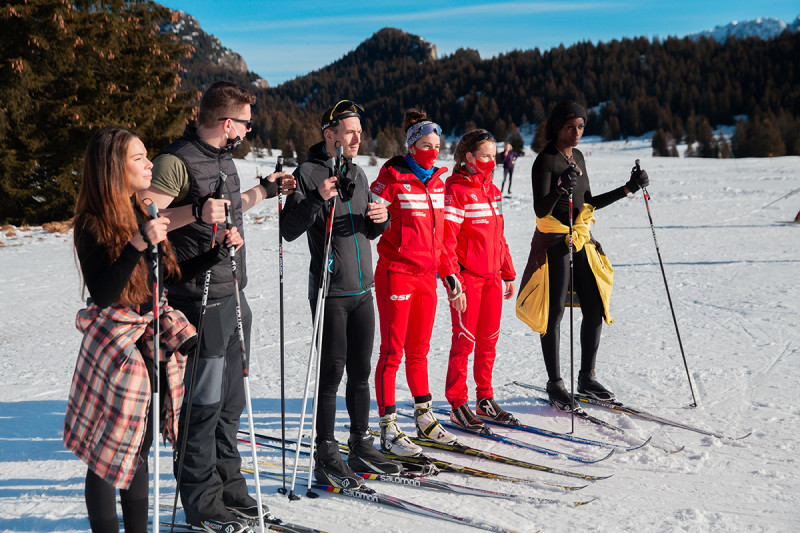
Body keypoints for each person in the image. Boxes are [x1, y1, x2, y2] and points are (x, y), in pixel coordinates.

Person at [65, 127, 238, 532]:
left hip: (148, 339)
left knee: (138, 444)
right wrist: (138, 244)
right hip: (116, 341)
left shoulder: (143, 211)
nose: (149, 164)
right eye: (139, 158)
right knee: (108, 454)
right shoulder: (91, 223)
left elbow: (168, 279)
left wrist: (217, 253)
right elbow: (104, 292)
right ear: (113, 168)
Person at [142, 81, 293, 532]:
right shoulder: (176, 159)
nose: (249, 129)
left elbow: (229, 208)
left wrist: (265, 190)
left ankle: (230, 491)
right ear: (228, 123)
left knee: (229, 406)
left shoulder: (224, 159)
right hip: (197, 302)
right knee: (201, 408)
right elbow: (145, 215)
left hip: (232, 296)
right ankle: (203, 506)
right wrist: (195, 213)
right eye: (246, 122)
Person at [280, 99, 400, 489]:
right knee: (331, 375)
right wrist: (317, 196)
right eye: (350, 131)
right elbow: (289, 228)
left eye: (360, 132)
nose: (356, 138)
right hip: (331, 292)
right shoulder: (308, 172)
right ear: (329, 134)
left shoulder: (359, 174)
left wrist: (378, 221)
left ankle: (360, 442)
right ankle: (326, 452)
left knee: (361, 373)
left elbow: (362, 230)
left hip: (362, 291)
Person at [516, 101, 649, 410]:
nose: (576, 133)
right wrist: (560, 190)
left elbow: (588, 202)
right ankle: (555, 384)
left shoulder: (577, 157)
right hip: (554, 241)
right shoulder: (545, 161)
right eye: (569, 127)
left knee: (594, 306)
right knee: (555, 314)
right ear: (556, 128)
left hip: (581, 239)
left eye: (580, 127)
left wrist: (628, 188)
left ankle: (586, 379)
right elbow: (540, 209)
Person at [369, 109, 458, 457]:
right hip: (397, 273)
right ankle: (389, 427)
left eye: (437, 146)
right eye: (424, 145)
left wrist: (449, 274)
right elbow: (372, 216)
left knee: (419, 351)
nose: (432, 152)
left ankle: (424, 418)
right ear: (410, 146)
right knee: (393, 352)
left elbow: (442, 238)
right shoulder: (391, 176)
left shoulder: (438, 181)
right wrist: (377, 215)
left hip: (427, 278)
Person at [439, 129, 517, 432]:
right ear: (469, 157)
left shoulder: (493, 191)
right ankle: (458, 403)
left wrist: (507, 271)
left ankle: (484, 398)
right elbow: (447, 242)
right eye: (485, 156)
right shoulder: (456, 190)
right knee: (464, 342)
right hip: (468, 280)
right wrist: (453, 283)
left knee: (489, 341)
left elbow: (498, 236)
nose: (491, 162)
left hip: (492, 279)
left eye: (493, 156)